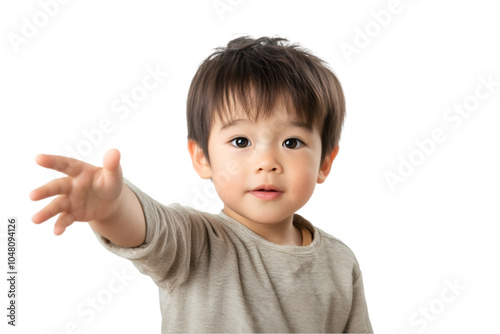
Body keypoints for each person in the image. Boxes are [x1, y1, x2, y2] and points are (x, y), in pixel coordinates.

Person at [31, 36, 373, 333]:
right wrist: (114, 208)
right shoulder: (196, 243)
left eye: (292, 142)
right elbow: (151, 228)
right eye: (241, 142)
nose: (266, 162)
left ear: (325, 162)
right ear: (202, 158)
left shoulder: (340, 263)